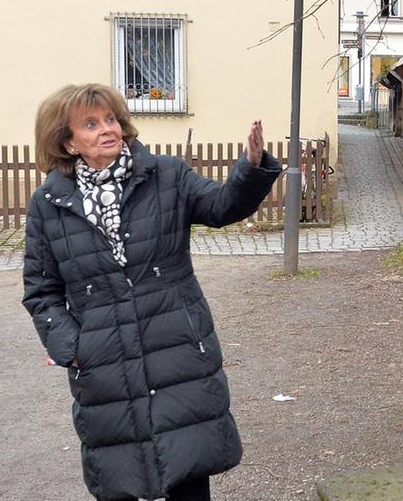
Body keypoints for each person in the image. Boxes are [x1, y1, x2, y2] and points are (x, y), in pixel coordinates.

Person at [22, 83, 282, 501]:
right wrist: (72, 347)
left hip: (176, 349)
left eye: (110, 119)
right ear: (68, 142)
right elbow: (41, 291)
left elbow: (221, 207)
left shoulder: (166, 174)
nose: (107, 129)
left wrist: (250, 168)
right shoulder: (48, 204)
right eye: (91, 124)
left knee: (187, 470)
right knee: (118, 478)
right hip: (104, 363)